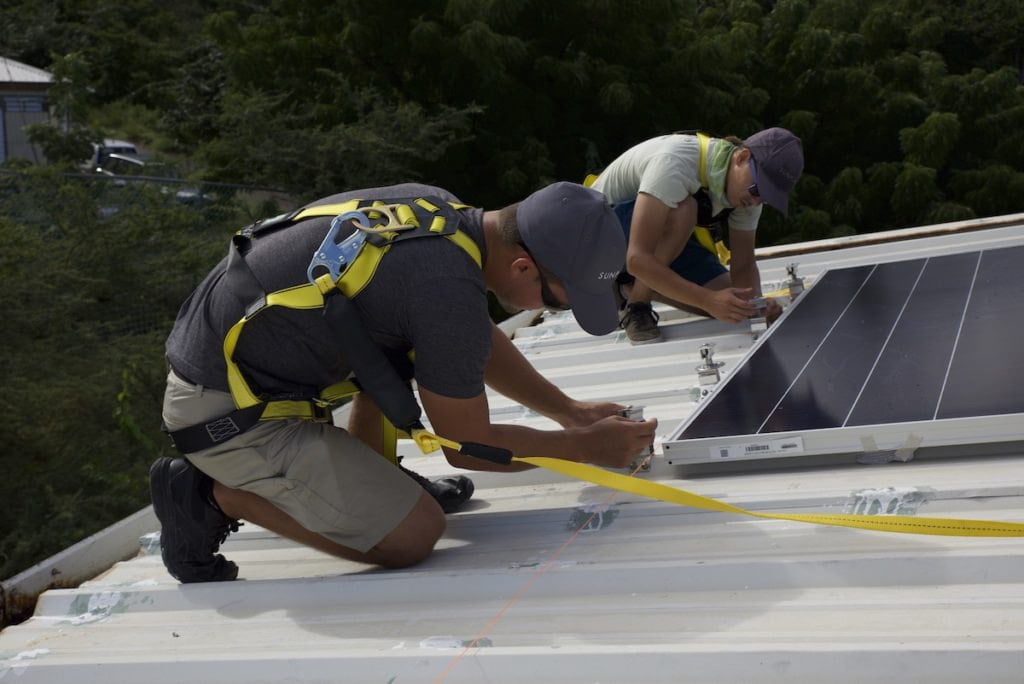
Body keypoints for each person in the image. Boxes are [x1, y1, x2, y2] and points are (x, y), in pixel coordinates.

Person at [150, 181, 658, 583]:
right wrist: (584, 449)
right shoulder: (443, 288)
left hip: (256, 376)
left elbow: (469, 337)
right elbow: (468, 447)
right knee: (414, 535)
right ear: (523, 266)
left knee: (407, 343)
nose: (551, 310)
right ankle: (208, 496)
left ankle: (378, 485)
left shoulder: (439, 212)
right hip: (228, 416)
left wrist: (570, 413)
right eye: (555, 300)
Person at [589, 128, 804, 343]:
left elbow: (744, 264)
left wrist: (755, 308)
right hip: (599, 245)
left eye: (766, 197)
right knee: (685, 210)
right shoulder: (675, 162)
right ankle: (637, 307)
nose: (757, 201)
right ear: (742, 157)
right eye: (758, 190)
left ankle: (630, 288)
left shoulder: (747, 192)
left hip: (656, 249)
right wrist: (707, 300)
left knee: (733, 304)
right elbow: (637, 259)